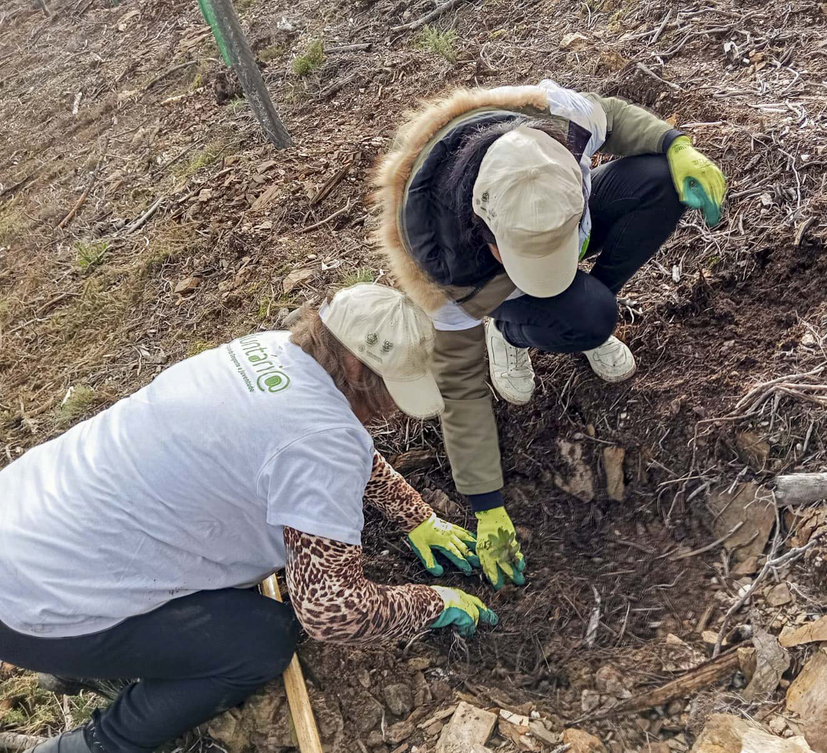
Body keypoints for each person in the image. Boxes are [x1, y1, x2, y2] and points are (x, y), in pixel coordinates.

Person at [0, 284, 495, 753]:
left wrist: (415, 516)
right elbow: (331, 610)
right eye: (394, 391)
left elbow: (317, 440)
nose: (394, 412)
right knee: (258, 641)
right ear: (354, 364)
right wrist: (431, 602)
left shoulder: (272, 351)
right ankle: (100, 741)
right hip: (38, 608)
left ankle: (85, 657)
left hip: (27, 522)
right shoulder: (320, 442)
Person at [374, 79, 727, 589]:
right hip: (495, 291)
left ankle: (580, 310)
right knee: (576, 315)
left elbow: (615, 115)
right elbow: (460, 384)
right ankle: (513, 334)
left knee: (657, 180)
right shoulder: (439, 256)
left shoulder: (562, 124)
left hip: (568, 231)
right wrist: (486, 503)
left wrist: (678, 146)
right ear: (485, 231)